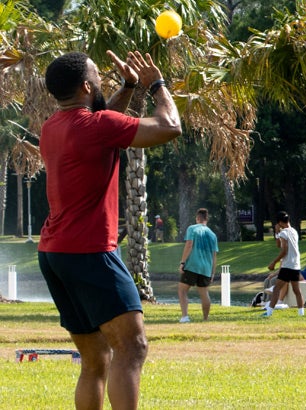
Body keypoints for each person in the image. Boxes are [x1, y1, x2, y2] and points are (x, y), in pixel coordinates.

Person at [37, 50, 182, 409]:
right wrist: (157, 85)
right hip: (90, 252)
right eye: (97, 75)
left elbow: (103, 120)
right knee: (132, 347)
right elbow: (169, 127)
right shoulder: (95, 127)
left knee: (95, 359)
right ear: (87, 86)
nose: (102, 79)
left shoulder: (53, 126)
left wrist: (128, 86)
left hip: (54, 253)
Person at [177, 208, 219, 323]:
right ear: (206, 219)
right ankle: (205, 318)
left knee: (182, 290)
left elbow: (189, 244)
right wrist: (213, 272)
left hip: (192, 265)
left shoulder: (192, 228)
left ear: (198, 218)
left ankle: (185, 317)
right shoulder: (213, 235)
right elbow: (214, 255)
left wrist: (182, 262)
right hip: (206, 268)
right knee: (204, 293)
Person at [262, 211, 304, 317]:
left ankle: (269, 312)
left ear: (280, 222)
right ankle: (301, 313)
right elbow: (279, 245)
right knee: (296, 290)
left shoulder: (284, 233)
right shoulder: (294, 231)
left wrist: (274, 262)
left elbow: (283, 250)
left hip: (287, 266)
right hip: (296, 265)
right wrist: (277, 233)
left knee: (276, 289)